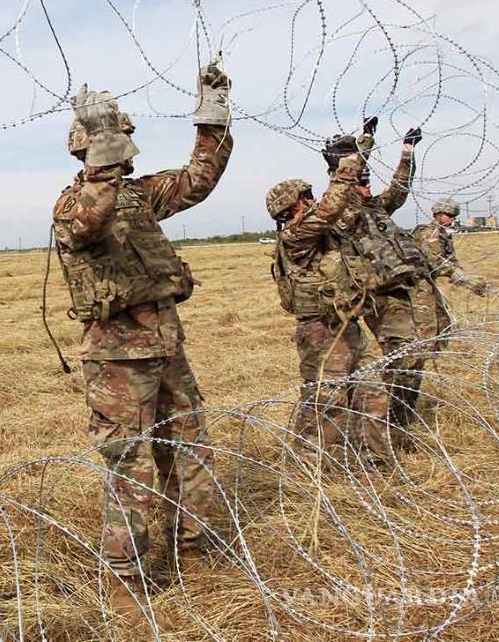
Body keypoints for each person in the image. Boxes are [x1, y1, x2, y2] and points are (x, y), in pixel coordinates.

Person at [52, 64, 232, 605]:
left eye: (126, 137)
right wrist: (102, 157)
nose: (128, 148)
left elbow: (199, 179)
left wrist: (213, 111)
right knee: (129, 466)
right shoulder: (74, 204)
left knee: (190, 450)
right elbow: (89, 223)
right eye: (116, 138)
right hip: (118, 360)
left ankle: (193, 554)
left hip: (168, 349)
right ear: (91, 147)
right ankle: (126, 580)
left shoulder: (141, 195)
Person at [266, 155, 388, 469]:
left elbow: (348, 207)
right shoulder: (297, 236)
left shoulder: (324, 233)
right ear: (289, 208)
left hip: (347, 325)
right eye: (304, 197)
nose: (311, 200)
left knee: (373, 392)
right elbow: (330, 207)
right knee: (326, 401)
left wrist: (356, 160)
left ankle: (375, 461)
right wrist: (348, 165)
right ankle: (308, 466)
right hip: (321, 331)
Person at [331, 119, 444, 449]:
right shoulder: (343, 213)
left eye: (367, 183)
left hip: (410, 289)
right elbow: (347, 176)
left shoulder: (378, 207)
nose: (367, 186)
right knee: (400, 358)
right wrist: (365, 141)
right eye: (361, 182)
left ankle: (401, 418)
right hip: (381, 297)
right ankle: (388, 423)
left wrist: (407, 151)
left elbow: (399, 187)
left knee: (417, 356)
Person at [413, 199, 490, 297]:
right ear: (438, 214)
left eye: (454, 216)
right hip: (419, 282)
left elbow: (449, 259)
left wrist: (462, 276)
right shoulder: (429, 233)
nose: (452, 219)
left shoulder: (442, 233)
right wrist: (461, 277)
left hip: (430, 280)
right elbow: (435, 261)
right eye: (449, 215)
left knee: (440, 310)